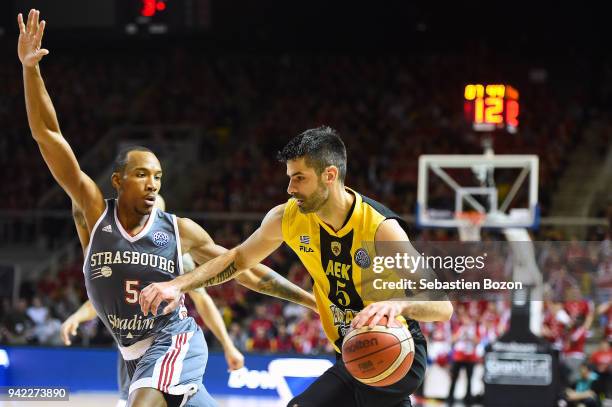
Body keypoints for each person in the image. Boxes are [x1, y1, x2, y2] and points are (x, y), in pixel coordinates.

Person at [17, 10, 315, 407]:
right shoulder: (92, 213)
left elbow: (246, 269)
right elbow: (48, 135)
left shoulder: (179, 231)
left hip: (174, 340)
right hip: (131, 357)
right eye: (142, 174)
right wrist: (30, 70)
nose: (153, 182)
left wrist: (314, 301)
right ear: (118, 181)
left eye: (158, 175)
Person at [140, 127, 453, 406]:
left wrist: (396, 304)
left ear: (330, 175)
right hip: (351, 349)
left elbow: (443, 306)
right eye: (289, 178)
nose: (290, 188)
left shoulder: (380, 229)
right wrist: (177, 284)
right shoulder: (287, 218)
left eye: (299, 178)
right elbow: (237, 260)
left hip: (393, 349)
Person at [61, 196, 245, 407]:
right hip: (131, 346)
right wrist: (78, 315)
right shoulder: (116, 248)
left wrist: (228, 345)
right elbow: (101, 299)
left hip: (164, 339)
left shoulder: (174, 252)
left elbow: (203, 300)